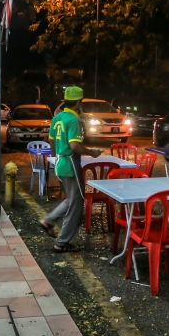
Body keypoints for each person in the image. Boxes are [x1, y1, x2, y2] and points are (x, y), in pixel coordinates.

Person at [40, 86, 102, 252]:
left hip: (60, 162)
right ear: (79, 103)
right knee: (76, 203)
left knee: (72, 199)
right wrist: (92, 152)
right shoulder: (73, 120)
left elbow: (51, 140)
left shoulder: (58, 117)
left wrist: (57, 153)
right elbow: (74, 145)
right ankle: (61, 242)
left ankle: (49, 221)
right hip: (70, 164)